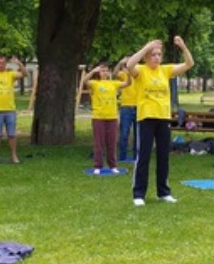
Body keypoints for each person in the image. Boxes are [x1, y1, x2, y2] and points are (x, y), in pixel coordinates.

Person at [126, 37, 194, 206]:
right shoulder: (140, 70)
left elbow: (189, 64)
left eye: (159, 54)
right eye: (153, 55)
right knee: (144, 156)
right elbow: (129, 65)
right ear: (146, 58)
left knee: (163, 156)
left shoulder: (166, 70)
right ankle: (138, 194)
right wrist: (147, 46)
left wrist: (183, 47)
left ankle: (163, 192)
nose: (156, 57)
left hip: (163, 118)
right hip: (146, 118)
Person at [79, 59, 131, 174]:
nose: (104, 72)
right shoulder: (95, 83)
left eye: (106, 71)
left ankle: (113, 165)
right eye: (102, 70)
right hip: (98, 117)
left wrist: (128, 73)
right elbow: (84, 81)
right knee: (99, 142)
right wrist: (93, 71)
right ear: (99, 72)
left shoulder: (113, 83)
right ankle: (98, 165)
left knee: (112, 142)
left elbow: (127, 83)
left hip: (112, 117)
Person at [117, 58, 137, 162]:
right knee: (124, 133)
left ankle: (136, 156)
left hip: (138, 107)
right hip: (126, 107)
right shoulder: (123, 74)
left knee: (137, 134)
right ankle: (122, 156)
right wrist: (120, 62)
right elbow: (115, 73)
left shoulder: (139, 74)